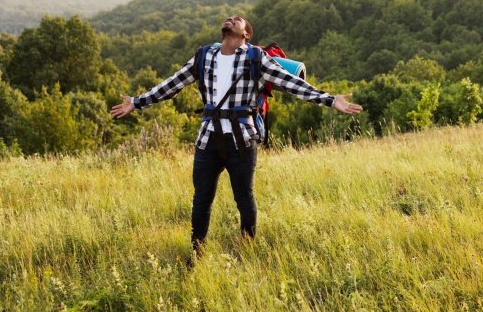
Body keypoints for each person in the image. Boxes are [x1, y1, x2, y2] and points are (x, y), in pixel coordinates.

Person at [110, 15, 362, 259]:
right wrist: (137, 102)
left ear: (246, 34)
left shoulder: (255, 58)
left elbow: (291, 83)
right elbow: (172, 84)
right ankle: (197, 253)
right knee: (201, 200)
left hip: (242, 141)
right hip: (207, 140)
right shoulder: (204, 56)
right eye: (228, 18)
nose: (230, 19)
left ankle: (248, 247)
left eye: (237, 19)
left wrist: (330, 100)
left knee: (244, 198)